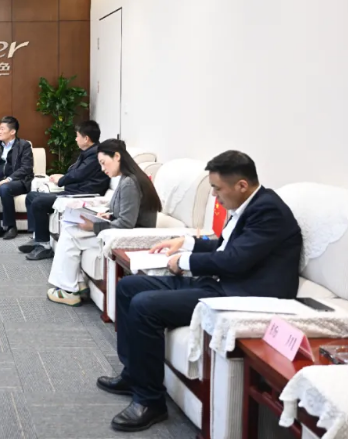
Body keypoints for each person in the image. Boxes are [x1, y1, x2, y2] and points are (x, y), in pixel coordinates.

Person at [98, 151, 302, 432]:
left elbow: (235, 260)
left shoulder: (269, 211)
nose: (214, 196)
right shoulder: (249, 205)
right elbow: (225, 245)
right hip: (221, 281)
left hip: (241, 294)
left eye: (217, 188)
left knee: (145, 306)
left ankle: (150, 401)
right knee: (128, 286)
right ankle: (133, 374)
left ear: (242, 185)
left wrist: (184, 261)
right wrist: (185, 243)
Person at [47, 139, 161, 306]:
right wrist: (107, 215)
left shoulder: (129, 182)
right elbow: (126, 213)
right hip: (123, 233)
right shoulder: (128, 178)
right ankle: (75, 284)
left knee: (71, 233)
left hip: (128, 239)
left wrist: (93, 226)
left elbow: (126, 224)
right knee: (71, 229)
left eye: (103, 162)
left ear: (117, 156)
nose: (102, 169)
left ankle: (69, 290)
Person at [21, 120, 110, 260]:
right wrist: (62, 176)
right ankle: (37, 237)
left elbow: (78, 174)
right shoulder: (88, 152)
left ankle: (44, 246)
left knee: (39, 202)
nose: (75, 139)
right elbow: (76, 172)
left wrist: (61, 180)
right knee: (31, 196)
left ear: (86, 138)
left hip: (81, 195)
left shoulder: (95, 155)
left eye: (77, 136)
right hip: (74, 191)